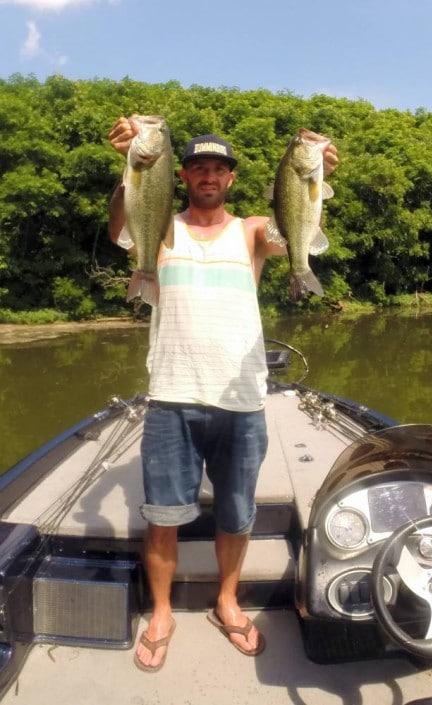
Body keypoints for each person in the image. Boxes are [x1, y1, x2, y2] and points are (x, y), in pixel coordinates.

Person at [107, 117, 338, 671]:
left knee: (236, 514)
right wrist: (126, 168)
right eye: (199, 166)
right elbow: (121, 219)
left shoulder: (254, 231)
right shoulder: (159, 225)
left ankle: (227, 601)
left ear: (231, 179)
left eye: (220, 168)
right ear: (181, 174)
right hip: (170, 395)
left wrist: (321, 180)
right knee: (163, 516)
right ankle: (161, 612)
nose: (209, 175)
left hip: (241, 401)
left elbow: (296, 228)